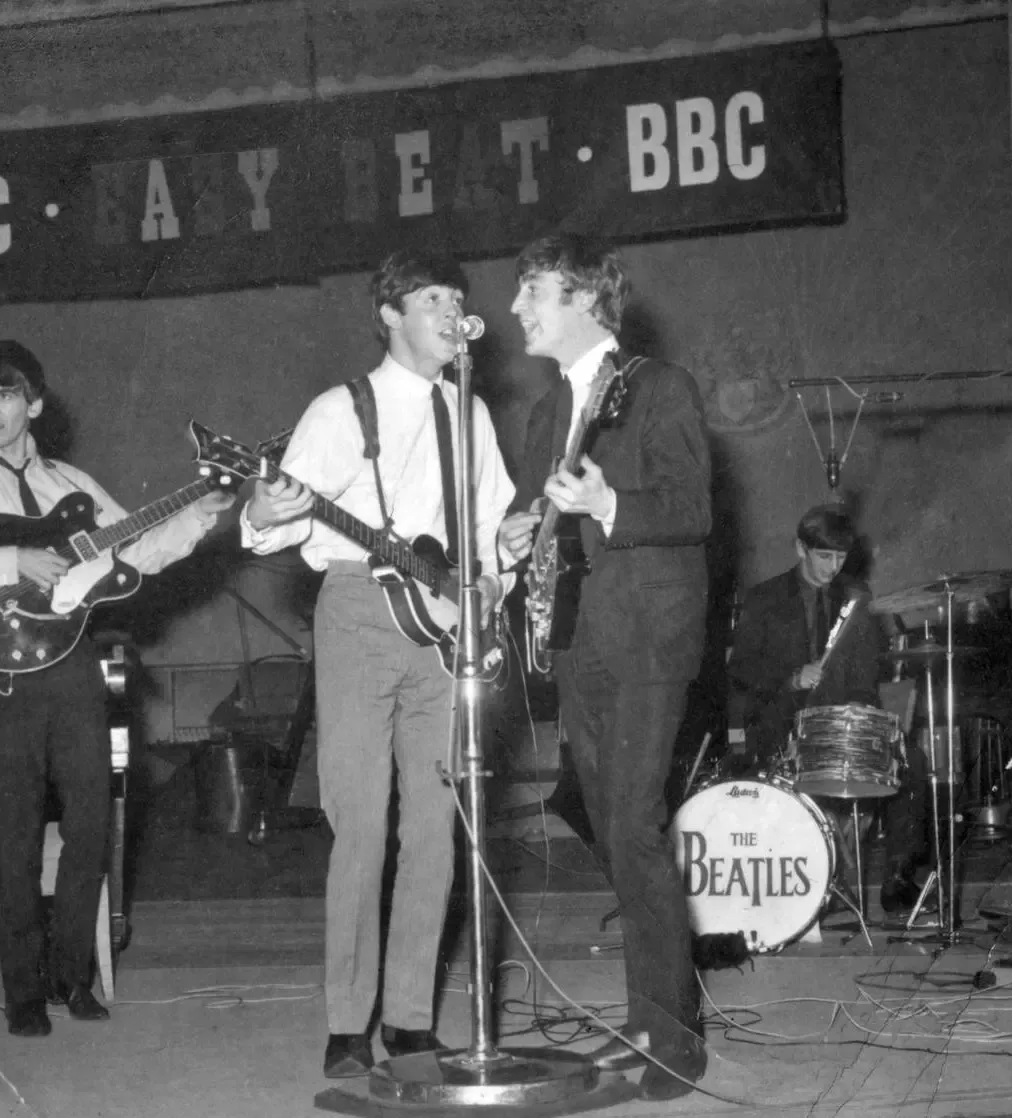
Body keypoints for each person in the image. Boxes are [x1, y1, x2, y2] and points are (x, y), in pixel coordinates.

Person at [0, 340, 234, 1037]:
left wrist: (205, 508)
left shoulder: (70, 486)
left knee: (91, 823)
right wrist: (11, 557)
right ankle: (23, 995)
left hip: (72, 665)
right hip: (0, 673)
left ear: (34, 403)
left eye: (4, 396)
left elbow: (139, 549)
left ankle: (72, 977)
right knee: (16, 833)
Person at [239, 251, 515, 1078]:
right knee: (358, 823)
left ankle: (409, 1017)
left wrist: (489, 583)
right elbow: (269, 526)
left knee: (435, 825)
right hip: (360, 611)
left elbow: (493, 521)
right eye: (434, 298)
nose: (452, 311)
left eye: (457, 298)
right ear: (390, 314)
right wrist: (261, 502)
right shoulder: (338, 409)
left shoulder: (469, 412)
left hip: (447, 622)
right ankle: (348, 1021)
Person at [497, 234, 711, 1101]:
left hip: (650, 638)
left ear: (586, 298)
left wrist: (608, 502)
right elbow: (537, 514)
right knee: (615, 827)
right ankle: (649, 1018)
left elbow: (692, 507)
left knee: (632, 824)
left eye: (533, 289)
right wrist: (519, 530)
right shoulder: (547, 412)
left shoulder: (657, 388)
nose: (517, 307)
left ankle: (676, 1039)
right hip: (582, 642)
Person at [727, 504, 926, 912]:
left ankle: (898, 877)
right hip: (783, 723)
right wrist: (792, 677)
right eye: (824, 556)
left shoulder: (855, 597)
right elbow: (742, 669)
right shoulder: (764, 597)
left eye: (840, 558)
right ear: (801, 549)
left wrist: (860, 720)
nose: (833, 568)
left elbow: (866, 672)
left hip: (839, 723)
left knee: (913, 760)